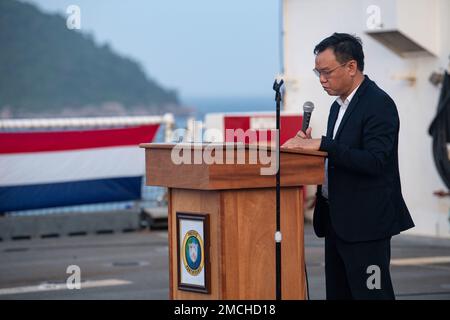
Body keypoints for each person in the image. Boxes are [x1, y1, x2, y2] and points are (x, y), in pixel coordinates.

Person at [282, 33, 414, 300]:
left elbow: (375, 162)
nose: (321, 79)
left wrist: (325, 145)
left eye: (327, 72)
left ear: (351, 67)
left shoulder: (379, 104)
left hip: (366, 226)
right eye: (318, 72)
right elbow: (339, 157)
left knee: (371, 295)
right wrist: (311, 151)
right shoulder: (336, 107)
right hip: (336, 222)